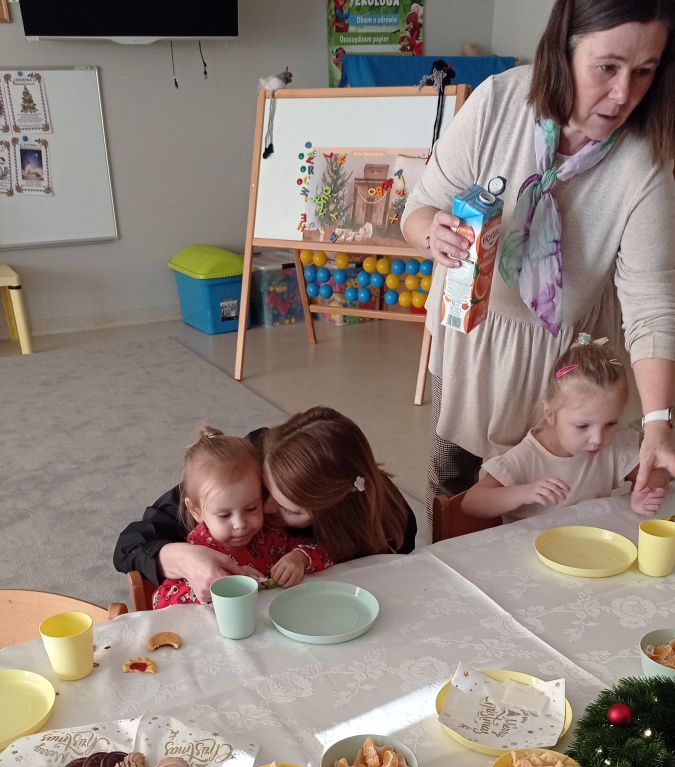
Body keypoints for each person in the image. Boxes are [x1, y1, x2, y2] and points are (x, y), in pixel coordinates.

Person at [401, 0, 675, 520]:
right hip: (470, 337)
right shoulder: (498, 103)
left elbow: (651, 304)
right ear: (563, 50)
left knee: (554, 492)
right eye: (607, 67)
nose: (623, 95)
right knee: (455, 481)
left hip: (565, 362)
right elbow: (418, 210)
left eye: (644, 72)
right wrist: (430, 233)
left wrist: (658, 421)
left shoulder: (646, 159)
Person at [113, 407, 416, 604]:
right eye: (264, 490)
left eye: (289, 510)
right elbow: (130, 544)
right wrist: (182, 558)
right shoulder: (244, 463)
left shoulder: (385, 520)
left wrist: (303, 559)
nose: (266, 508)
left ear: (329, 516)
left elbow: (386, 581)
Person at [461, 334, 669, 522]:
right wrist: (523, 493)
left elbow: (657, 472)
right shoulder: (527, 457)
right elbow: (471, 503)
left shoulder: (613, 445)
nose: (598, 438)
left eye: (611, 423)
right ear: (550, 414)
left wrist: (646, 493)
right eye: (582, 426)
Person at [152, 428, 330, 608]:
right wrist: (220, 586)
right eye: (224, 515)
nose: (240, 524)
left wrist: (300, 558)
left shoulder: (271, 536)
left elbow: (327, 551)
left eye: (252, 508)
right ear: (196, 510)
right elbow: (161, 601)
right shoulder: (199, 551)